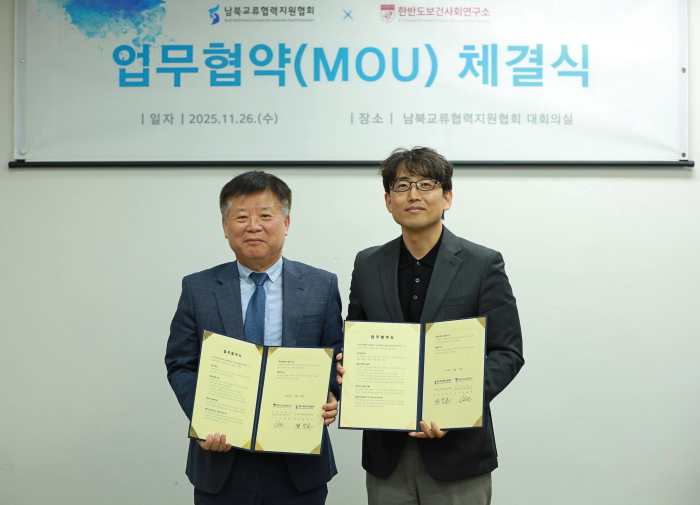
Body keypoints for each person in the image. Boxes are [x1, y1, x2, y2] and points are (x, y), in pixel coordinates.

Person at [339, 147, 524, 505]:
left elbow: (507, 352)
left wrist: (457, 405)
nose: (413, 195)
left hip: (458, 454)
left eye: (426, 184)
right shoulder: (368, 264)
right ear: (388, 200)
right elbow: (356, 337)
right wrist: (347, 367)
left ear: (447, 197)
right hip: (387, 456)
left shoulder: (482, 264)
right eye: (402, 185)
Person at [165, 171, 342, 505]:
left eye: (265, 216)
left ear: (286, 222)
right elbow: (180, 363)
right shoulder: (198, 288)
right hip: (220, 460)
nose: (253, 226)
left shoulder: (321, 286)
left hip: (299, 463)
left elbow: (337, 355)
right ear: (225, 226)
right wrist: (204, 418)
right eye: (241, 217)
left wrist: (333, 393)